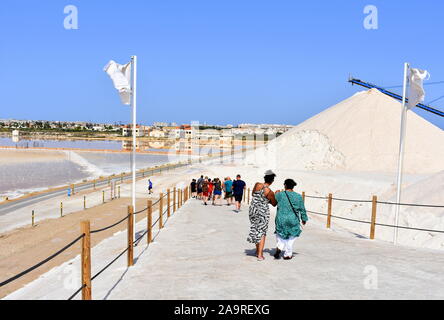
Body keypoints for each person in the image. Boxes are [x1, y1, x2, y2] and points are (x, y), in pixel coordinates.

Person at [273, 179, 308, 260]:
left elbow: (274, 202)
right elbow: (302, 209)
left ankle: (280, 246)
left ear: (285, 185)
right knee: (292, 236)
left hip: (281, 218)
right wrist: (304, 219)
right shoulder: (298, 196)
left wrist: (276, 194)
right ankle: (288, 254)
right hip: (293, 219)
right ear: (293, 186)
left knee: (280, 233)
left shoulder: (280, 195)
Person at [247, 170, 277, 261]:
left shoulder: (257, 185)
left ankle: (257, 250)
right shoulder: (269, 191)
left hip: (253, 210)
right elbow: (274, 203)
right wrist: (276, 195)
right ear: (272, 181)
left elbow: (253, 194)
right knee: (262, 232)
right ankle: (260, 255)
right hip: (263, 212)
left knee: (255, 229)